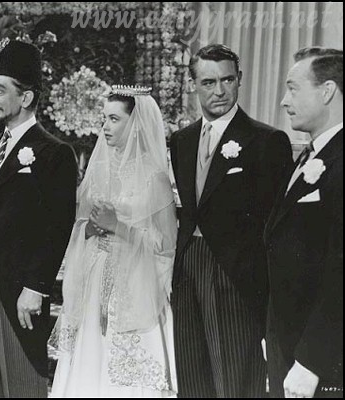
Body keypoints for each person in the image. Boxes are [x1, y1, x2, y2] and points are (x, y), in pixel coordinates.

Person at [169, 44, 293, 397]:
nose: (219, 91)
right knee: (192, 375)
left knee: (234, 379)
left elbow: (275, 225)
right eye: (208, 82)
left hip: (236, 275)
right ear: (193, 85)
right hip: (188, 267)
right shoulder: (182, 140)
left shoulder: (267, 140)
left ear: (239, 80)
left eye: (227, 80)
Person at [0, 39, 78, 398]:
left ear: (25, 97)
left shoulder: (55, 153)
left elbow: (59, 227)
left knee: (22, 373)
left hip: (21, 279)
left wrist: (37, 287)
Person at [50, 85, 178, 398]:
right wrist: (89, 229)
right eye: (104, 119)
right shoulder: (98, 170)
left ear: (136, 123)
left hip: (136, 288)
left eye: (114, 119)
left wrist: (118, 227)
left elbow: (166, 247)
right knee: (89, 361)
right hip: (95, 281)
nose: (105, 127)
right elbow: (81, 225)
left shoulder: (155, 177)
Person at [264, 47, 343, 399]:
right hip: (289, 345)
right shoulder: (311, 154)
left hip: (321, 361)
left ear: (327, 91)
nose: (284, 101)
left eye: (293, 88)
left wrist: (311, 360)